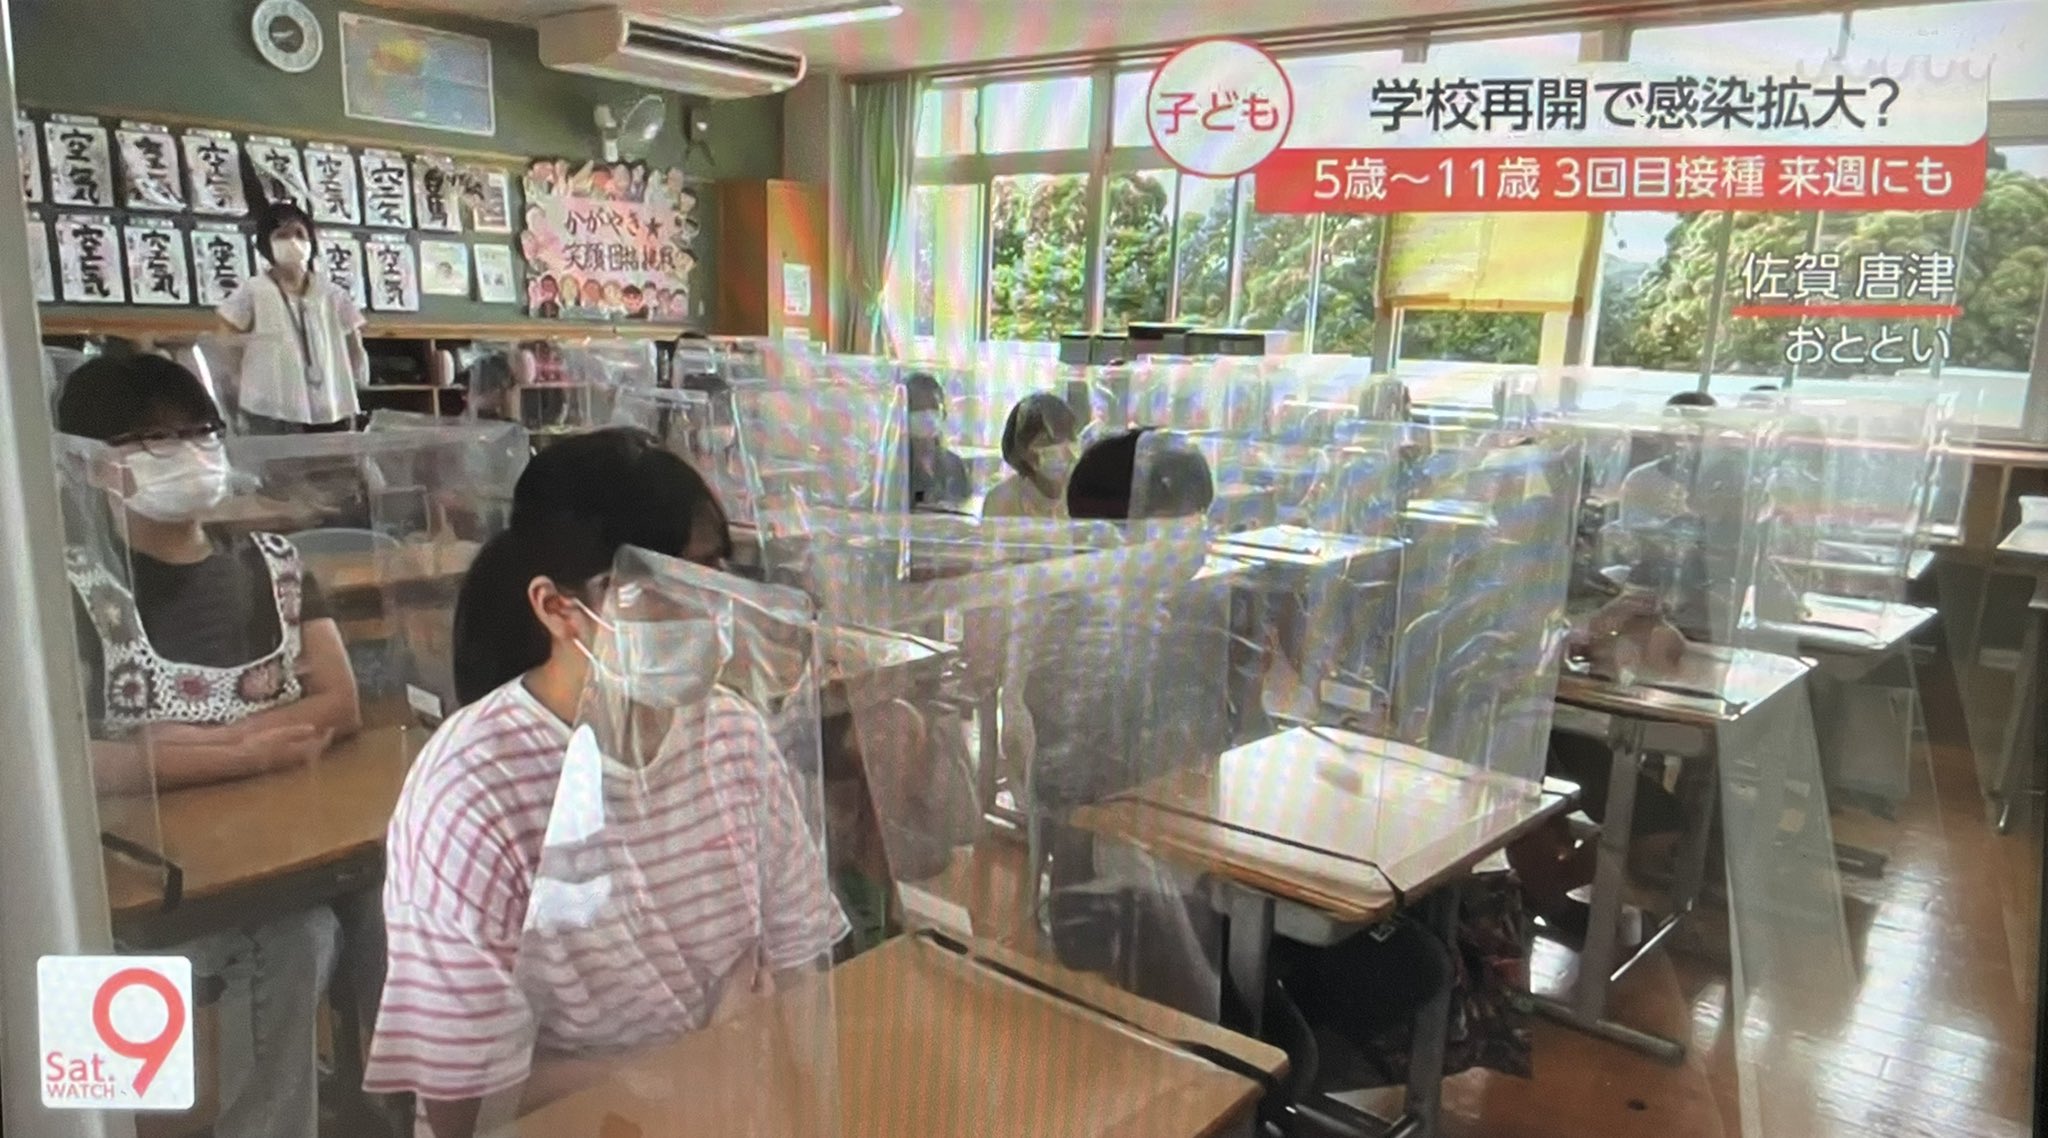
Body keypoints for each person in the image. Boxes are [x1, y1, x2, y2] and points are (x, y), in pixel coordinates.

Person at [365, 429, 846, 1137]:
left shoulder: (733, 734)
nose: (707, 609)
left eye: (711, 574)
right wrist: (691, 1061)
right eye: (663, 587)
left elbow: (803, 960)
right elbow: (461, 1103)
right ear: (557, 609)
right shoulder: (473, 793)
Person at [57, 353, 363, 1138]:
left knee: (345, 919)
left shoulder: (275, 566)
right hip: (144, 880)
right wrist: (253, 752)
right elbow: (72, 760)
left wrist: (180, 748)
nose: (189, 453)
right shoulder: (70, 587)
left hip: (278, 849)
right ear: (89, 463)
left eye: (201, 432)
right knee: (277, 943)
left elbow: (339, 702)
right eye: (153, 439)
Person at [217, 197, 368, 435]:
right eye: (281, 235)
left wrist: (356, 382)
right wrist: (236, 386)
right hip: (270, 408)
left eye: (299, 234)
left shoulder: (332, 294)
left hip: (330, 404)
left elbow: (354, 346)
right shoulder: (253, 290)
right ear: (266, 245)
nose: (292, 241)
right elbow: (226, 341)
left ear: (311, 241)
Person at [982, 392, 1080, 520]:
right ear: (1022, 450)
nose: (1067, 450)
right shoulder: (1000, 500)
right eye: (1050, 441)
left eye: (1071, 437)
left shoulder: (1087, 495)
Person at [902, 371, 972, 508]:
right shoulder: (897, 468)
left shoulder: (955, 465)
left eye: (933, 407)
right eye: (918, 409)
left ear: (943, 412)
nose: (927, 415)